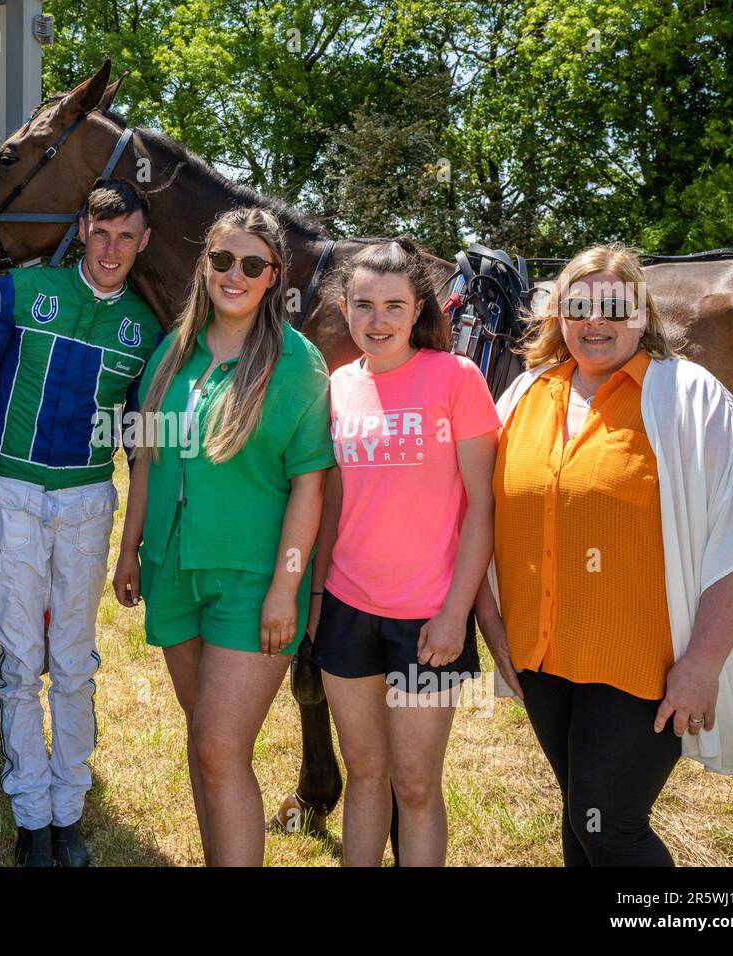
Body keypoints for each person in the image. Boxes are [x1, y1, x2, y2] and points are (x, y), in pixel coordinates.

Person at [476, 243, 733, 866]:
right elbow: (482, 522)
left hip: (644, 662)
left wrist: (701, 664)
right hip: (543, 656)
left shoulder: (691, 398)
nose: (596, 322)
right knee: (581, 817)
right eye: (578, 306)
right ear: (557, 315)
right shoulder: (524, 398)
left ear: (643, 315)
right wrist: (492, 624)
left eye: (614, 307)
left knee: (610, 824)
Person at [0, 179, 163, 866]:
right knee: (19, 664)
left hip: (87, 503)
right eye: (101, 233)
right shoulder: (20, 291)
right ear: (81, 229)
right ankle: (29, 821)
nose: (111, 248)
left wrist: (143, 538)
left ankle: (68, 815)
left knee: (72, 665)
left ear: (144, 244)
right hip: (10, 493)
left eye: (126, 237)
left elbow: (145, 438)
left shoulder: (147, 327)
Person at [113, 207, 335, 866]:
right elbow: (148, 459)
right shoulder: (172, 350)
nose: (233, 275)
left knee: (219, 747)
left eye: (251, 265)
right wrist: (130, 551)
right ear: (203, 266)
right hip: (173, 571)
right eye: (221, 261)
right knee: (204, 740)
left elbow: (309, 487)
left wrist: (286, 589)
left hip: (252, 581)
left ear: (273, 278)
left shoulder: (296, 363)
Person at [306, 238, 498, 867]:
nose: (378, 320)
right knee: (365, 778)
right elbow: (331, 505)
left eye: (394, 305)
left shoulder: (456, 378)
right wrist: (314, 599)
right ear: (344, 307)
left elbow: (481, 507)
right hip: (348, 608)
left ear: (418, 309)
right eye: (364, 305)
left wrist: (453, 613)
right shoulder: (337, 388)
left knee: (414, 785)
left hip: (426, 618)